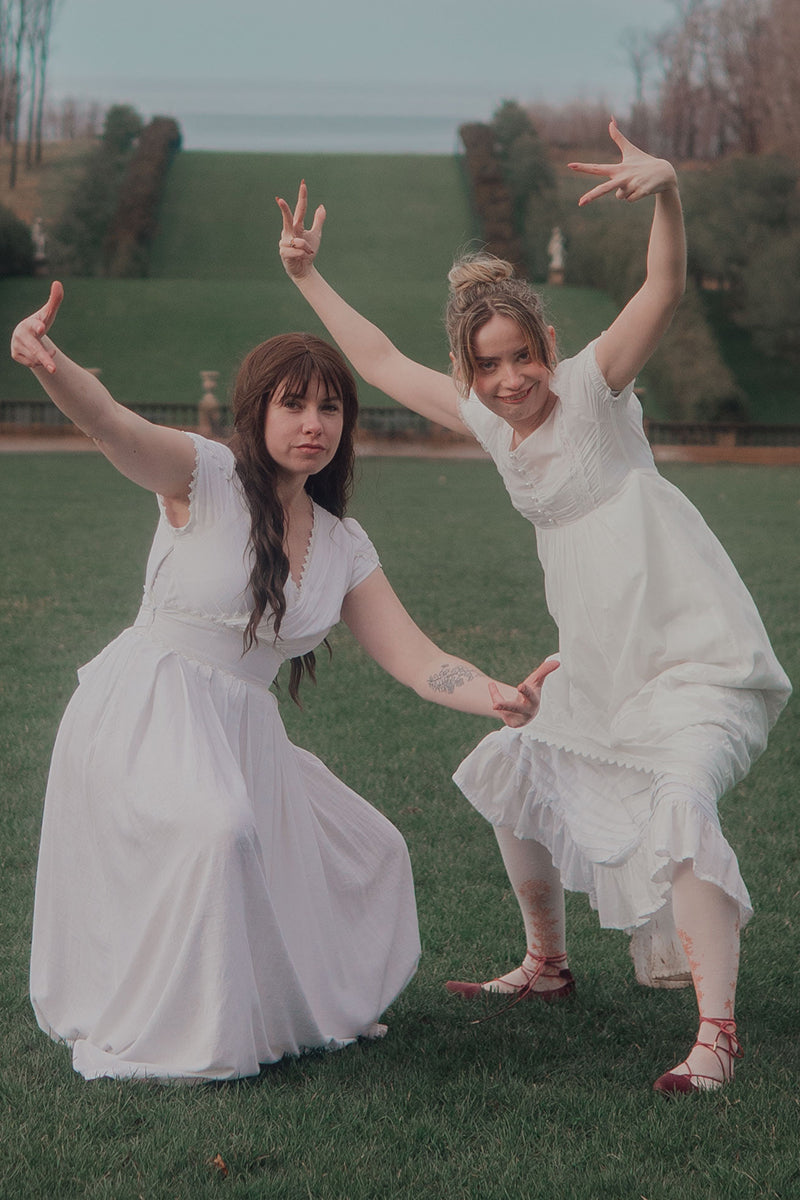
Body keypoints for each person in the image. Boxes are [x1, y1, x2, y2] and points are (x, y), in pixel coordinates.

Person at [276, 119, 791, 1093]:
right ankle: (547, 965)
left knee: (679, 801)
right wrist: (306, 275)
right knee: (515, 761)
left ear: (546, 345)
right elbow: (378, 361)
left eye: (521, 356)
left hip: (689, 650)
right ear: (469, 372)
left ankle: (715, 1035)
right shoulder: (485, 419)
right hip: (598, 662)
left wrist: (668, 192)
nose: (510, 379)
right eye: (488, 366)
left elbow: (662, 289)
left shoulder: (592, 389)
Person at [11, 282, 557, 1083]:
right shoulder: (202, 475)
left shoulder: (342, 543)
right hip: (148, 710)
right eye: (293, 404)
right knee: (220, 830)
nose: (313, 424)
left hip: (242, 732)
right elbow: (112, 426)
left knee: (374, 847)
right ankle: (184, 1029)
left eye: (330, 408)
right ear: (257, 413)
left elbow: (416, 658)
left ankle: (281, 1008)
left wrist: (495, 695)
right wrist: (50, 364)